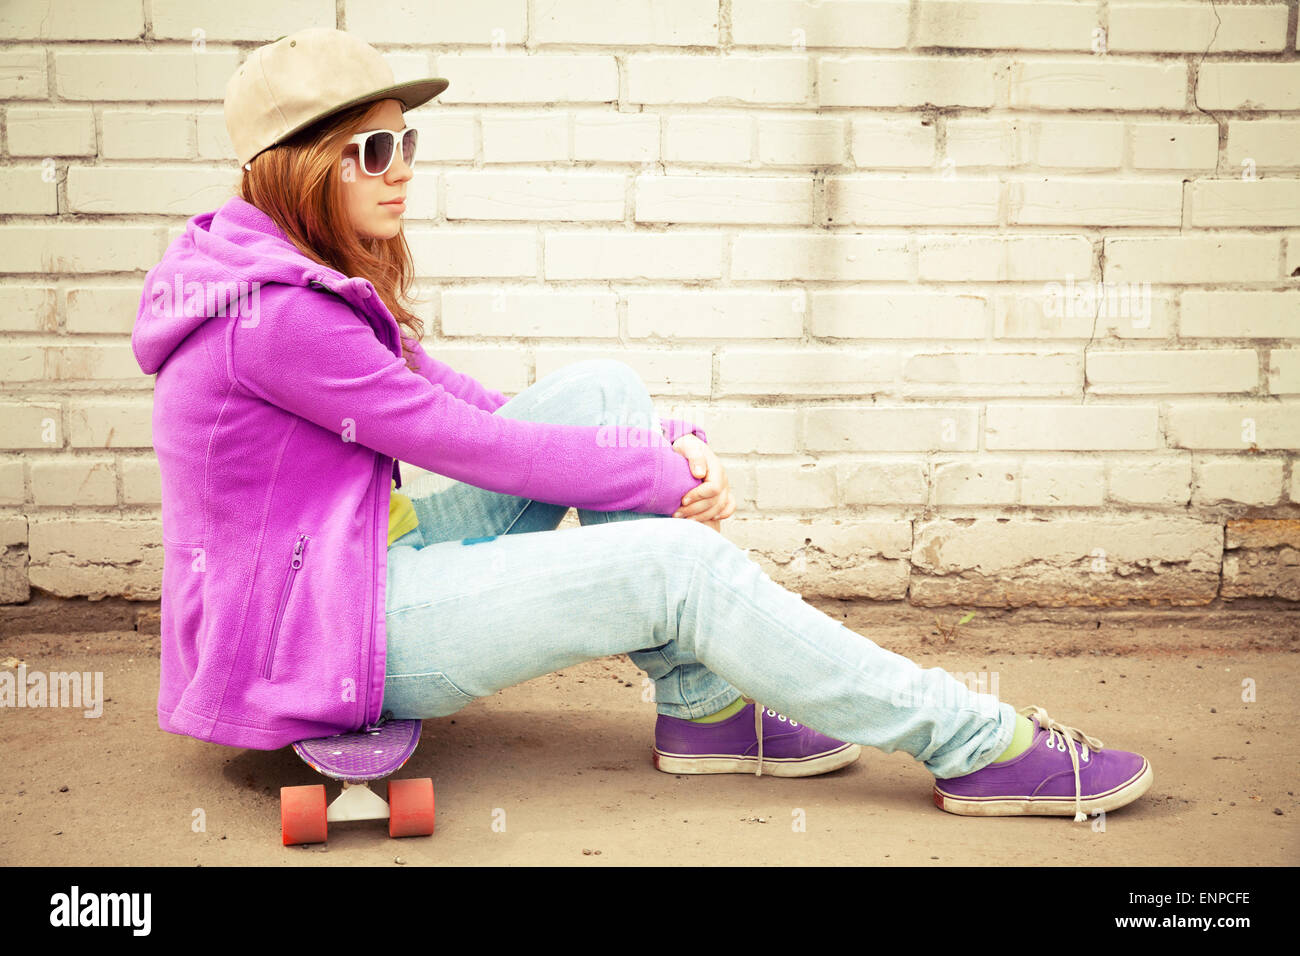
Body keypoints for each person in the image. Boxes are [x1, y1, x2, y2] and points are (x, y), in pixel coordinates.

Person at [132, 27, 1152, 822]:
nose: (403, 168)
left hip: (345, 567)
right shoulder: (273, 318)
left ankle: (702, 709)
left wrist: (656, 443)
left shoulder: (279, 275)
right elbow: (462, 444)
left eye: (408, 141)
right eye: (374, 149)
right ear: (298, 166)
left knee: (602, 391)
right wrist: (663, 483)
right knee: (676, 566)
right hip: (314, 634)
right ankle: (974, 739)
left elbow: (460, 400)